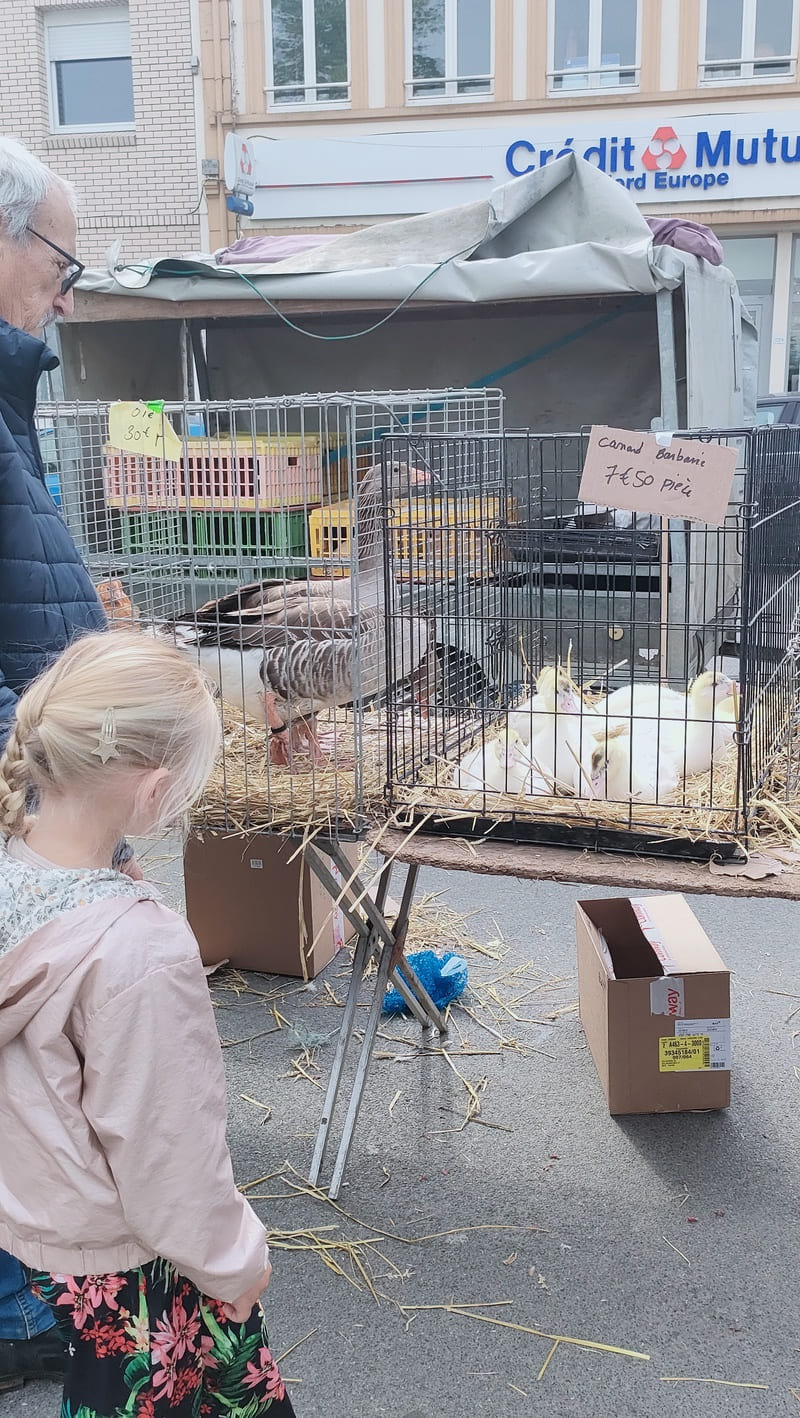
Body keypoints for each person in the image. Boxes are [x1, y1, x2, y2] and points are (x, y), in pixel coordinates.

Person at [0, 632, 296, 1417]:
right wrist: (234, 1262)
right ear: (157, 790)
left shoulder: (11, 871)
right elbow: (168, 1151)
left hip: (47, 1231)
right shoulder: (140, 949)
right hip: (142, 1259)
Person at [0, 134, 137, 1389]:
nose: (71, 290)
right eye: (64, 260)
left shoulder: (11, 396)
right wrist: (58, 810)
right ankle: (16, 1312)